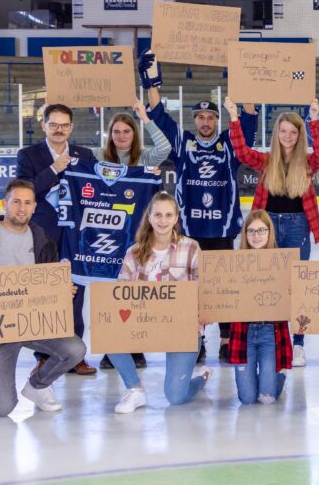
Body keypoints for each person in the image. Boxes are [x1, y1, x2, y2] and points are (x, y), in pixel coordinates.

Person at [141, 51, 257, 362]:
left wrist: (249, 83)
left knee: (223, 288)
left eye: (211, 118)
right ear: (194, 120)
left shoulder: (229, 144)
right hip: (189, 233)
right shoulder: (184, 142)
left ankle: (226, 339)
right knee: (191, 289)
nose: (206, 122)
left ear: (217, 121)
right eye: (201, 118)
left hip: (221, 232)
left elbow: (247, 127)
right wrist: (152, 80)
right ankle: (197, 338)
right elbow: (159, 117)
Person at [0, 179, 87, 416]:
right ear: (4, 204)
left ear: (35, 207)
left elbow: (49, 285)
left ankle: (38, 385)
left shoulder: (43, 241)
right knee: (2, 408)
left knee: (75, 349)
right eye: (16, 202)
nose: (22, 208)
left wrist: (61, 292)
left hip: (32, 324)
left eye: (27, 203)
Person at [227, 97, 319, 366]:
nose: (288, 136)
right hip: (267, 225)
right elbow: (241, 153)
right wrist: (235, 118)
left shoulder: (307, 163)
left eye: (293, 132)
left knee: (296, 286)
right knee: (266, 282)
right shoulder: (266, 160)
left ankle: (299, 343)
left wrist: (315, 120)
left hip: (297, 226)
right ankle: (271, 334)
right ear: (276, 134)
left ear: (299, 135)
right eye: (283, 131)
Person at [108, 192, 212, 414]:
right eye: (158, 215)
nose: (162, 220)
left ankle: (201, 377)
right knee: (106, 332)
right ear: (150, 217)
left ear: (176, 218)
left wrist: (200, 315)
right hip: (146, 324)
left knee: (175, 397)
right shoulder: (134, 252)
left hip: (182, 327)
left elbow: (204, 289)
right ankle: (134, 389)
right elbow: (121, 290)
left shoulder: (191, 248)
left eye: (168, 215)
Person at [16, 103, 97, 375]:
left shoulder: (85, 154)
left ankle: (76, 355)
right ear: (44, 125)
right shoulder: (28, 155)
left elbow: (98, 192)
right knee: (46, 296)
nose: (59, 129)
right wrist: (53, 169)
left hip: (76, 237)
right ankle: (44, 355)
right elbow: (24, 191)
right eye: (54, 124)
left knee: (76, 295)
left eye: (64, 125)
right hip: (43, 237)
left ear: (71, 127)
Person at [93, 102, 172, 371]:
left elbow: (166, 149)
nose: (121, 136)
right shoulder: (98, 158)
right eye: (116, 131)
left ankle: (135, 347)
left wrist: (145, 118)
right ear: (110, 134)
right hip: (105, 237)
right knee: (109, 295)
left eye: (127, 131)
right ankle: (111, 348)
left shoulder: (146, 158)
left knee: (135, 294)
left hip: (137, 238)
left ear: (134, 134)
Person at [226, 211, 292, 405]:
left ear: (269, 232)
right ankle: (265, 375)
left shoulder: (282, 262)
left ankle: (276, 374)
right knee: (246, 398)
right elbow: (222, 296)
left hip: (269, 331)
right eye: (251, 231)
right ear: (245, 234)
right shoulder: (233, 264)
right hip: (243, 332)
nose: (256, 236)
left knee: (267, 398)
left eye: (261, 230)